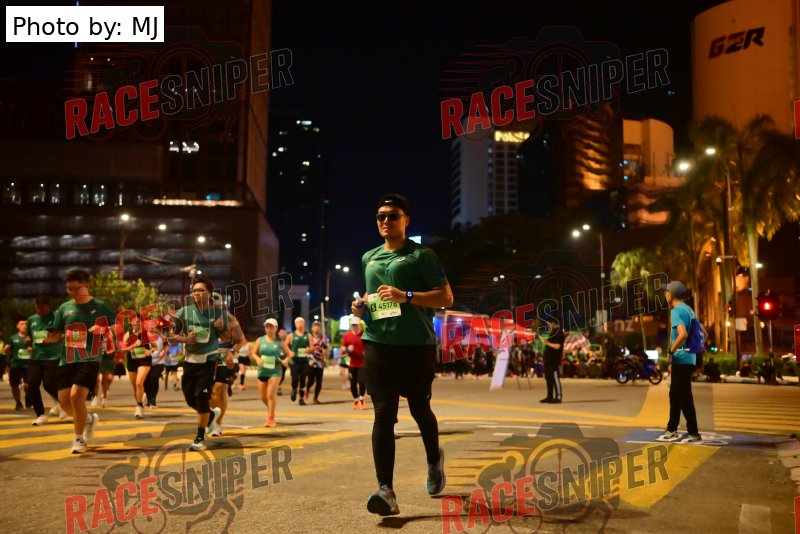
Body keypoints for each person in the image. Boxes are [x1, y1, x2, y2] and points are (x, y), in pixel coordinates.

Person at [352, 193, 452, 516]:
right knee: (383, 414)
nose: (385, 221)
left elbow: (446, 297)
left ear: (406, 220)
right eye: (380, 216)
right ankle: (386, 490)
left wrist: (405, 295)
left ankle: (434, 460)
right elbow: (373, 296)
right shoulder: (369, 257)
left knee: (420, 408)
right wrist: (361, 307)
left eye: (392, 215)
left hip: (416, 345)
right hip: (378, 343)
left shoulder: (422, 255)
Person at [44, 269, 113, 454]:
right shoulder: (64, 308)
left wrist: (104, 329)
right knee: (65, 403)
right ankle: (89, 419)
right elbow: (57, 332)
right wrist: (49, 339)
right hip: (67, 358)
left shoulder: (101, 306)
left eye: (76, 288)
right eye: (69, 289)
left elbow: (118, 326)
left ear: (86, 286)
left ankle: (79, 439)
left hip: (90, 357)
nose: (72, 292)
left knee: (76, 397)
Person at [167, 279, 232, 451]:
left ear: (209, 293)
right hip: (190, 361)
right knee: (190, 398)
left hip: (208, 361)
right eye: (194, 290)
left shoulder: (218, 313)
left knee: (201, 397)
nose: (196, 293)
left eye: (200, 290)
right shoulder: (184, 312)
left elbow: (227, 338)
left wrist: (221, 329)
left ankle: (200, 438)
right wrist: (185, 340)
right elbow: (170, 337)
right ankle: (211, 414)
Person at [658, 281, 701, 443]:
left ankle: (693, 432)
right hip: (689, 357)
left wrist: (671, 350)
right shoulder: (688, 309)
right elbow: (701, 331)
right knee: (675, 395)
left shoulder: (676, 311)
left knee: (684, 397)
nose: (664, 294)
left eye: (666, 292)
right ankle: (672, 429)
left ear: (672, 294)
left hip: (682, 358)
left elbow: (683, 334)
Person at [27, 296, 65, 424]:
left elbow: (64, 333)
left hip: (53, 356)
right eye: (37, 307)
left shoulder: (57, 317)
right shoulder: (31, 319)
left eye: (42, 307)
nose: (39, 310)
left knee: (49, 385)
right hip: (36, 356)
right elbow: (30, 336)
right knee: (32, 384)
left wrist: (56, 338)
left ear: (48, 306)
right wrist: (28, 341)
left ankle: (65, 404)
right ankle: (40, 415)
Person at [251, 318, 293, 427]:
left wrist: (286, 361)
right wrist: (257, 359)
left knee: (270, 394)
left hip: (275, 371)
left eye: (271, 326)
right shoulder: (260, 340)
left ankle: (271, 418)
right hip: (262, 371)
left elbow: (289, 354)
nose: (269, 329)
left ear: (276, 328)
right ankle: (271, 409)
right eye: (267, 326)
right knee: (263, 397)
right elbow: (253, 353)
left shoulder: (280, 342)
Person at [341, 316, 366, 409]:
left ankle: (362, 399)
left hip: (363, 363)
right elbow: (342, 349)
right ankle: (356, 400)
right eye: (353, 325)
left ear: (360, 325)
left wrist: (367, 352)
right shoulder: (347, 336)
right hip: (352, 363)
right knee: (353, 383)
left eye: (356, 325)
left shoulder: (365, 334)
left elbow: (370, 346)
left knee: (362, 381)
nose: (354, 327)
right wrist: (347, 349)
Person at [5, 319, 31, 410]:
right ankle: (18, 402)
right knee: (14, 385)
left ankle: (28, 396)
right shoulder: (13, 338)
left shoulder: (30, 337)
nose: (24, 325)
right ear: (18, 326)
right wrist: (7, 349)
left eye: (26, 324)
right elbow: (7, 351)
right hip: (15, 365)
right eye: (22, 324)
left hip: (28, 365)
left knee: (28, 385)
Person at [286, 317, 311, 405]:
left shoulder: (308, 335)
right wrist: (290, 352)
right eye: (298, 323)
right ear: (295, 325)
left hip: (304, 361)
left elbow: (312, 347)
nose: (300, 324)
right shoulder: (291, 335)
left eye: (301, 322)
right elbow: (284, 346)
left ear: (304, 324)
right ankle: (294, 389)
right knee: (295, 380)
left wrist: (309, 349)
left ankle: (301, 398)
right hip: (294, 362)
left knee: (303, 380)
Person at [540, 318, 564, 403]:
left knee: (555, 378)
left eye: (549, 323)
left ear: (553, 323)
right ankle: (549, 396)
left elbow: (557, 346)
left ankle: (558, 397)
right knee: (549, 378)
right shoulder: (553, 333)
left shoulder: (559, 333)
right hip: (548, 360)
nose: (548, 325)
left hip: (554, 360)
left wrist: (546, 342)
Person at [304, 320, 328, 404]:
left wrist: (323, 352)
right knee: (311, 380)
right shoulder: (308, 338)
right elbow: (306, 349)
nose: (317, 328)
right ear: (312, 328)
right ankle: (307, 388)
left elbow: (326, 349)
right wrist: (310, 349)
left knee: (319, 382)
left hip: (320, 363)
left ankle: (315, 398)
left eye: (318, 326)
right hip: (310, 362)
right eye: (315, 326)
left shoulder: (323, 339)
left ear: (320, 328)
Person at [144, 327, 167, 407]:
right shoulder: (143, 336)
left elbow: (166, 346)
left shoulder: (161, 336)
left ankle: (153, 399)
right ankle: (148, 399)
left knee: (153, 378)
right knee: (146, 381)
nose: (151, 327)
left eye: (152, 325)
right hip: (146, 362)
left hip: (159, 362)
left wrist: (163, 355)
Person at [276, 326, 288, 395]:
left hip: (285, 360)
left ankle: (279, 385)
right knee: (277, 373)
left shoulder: (288, 340)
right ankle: (278, 386)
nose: (283, 333)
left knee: (282, 374)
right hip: (277, 360)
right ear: (279, 333)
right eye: (281, 332)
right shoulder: (276, 341)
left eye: (284, 332)